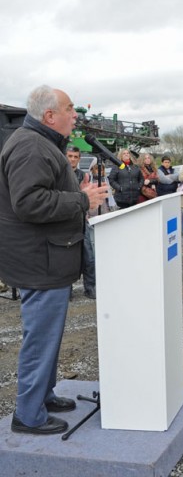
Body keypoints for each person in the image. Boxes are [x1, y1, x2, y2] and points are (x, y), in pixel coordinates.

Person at [0, 85, 108, 435]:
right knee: (40, 338)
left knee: (49, 336)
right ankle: (28, 415)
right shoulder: (31, 147)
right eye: (70, 108)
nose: (76, 115)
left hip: (47, 257)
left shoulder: (42, 143)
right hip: (39, 260)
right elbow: (29, 203)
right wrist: (81, 200)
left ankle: (43, 396)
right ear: (49, 115)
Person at [66, 146, 96, 300]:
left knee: (89, 257)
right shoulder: (59, 174)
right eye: (70, 156)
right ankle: (66, 291)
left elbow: (88, 197)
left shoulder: (83, 176)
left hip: (81, 221)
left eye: (75, 156)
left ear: (79, 159)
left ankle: (90, 287)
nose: (72, 159)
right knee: (67, 258)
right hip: (64, 222)